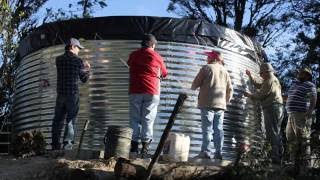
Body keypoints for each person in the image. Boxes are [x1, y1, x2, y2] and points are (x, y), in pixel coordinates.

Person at [128, 34, 168, 158]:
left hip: (135, 90)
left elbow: (130, 64)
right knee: (148, 119)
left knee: (135, 119)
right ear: (152, 44)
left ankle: (133, 149)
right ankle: (145, 149)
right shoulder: (157, 56)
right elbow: (164, 73)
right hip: (152, 90)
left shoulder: (134, 55)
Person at [191, 50, 233, 160]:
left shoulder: (206, 68)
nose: (206, 58)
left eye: (208, 56)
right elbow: (230, 90)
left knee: (207, 129)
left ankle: (205, 152)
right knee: (218, 129)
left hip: (207, 103)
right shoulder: (225, 71)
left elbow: (195, 84)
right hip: (220, 105)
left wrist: (192, 88)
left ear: (212, 58)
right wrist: (225, 102)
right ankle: (218, 152)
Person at [51, 38, 91, 150]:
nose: (79, 50)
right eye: (78, 48)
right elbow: (84, 79)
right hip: (72, 95)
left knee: (57, 120)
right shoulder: (78, 61)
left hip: (60, 95)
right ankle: (67, 145)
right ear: (72, 47)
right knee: (71, 120)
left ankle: (55, 145)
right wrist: (87, 68)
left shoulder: (58, 59)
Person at [244, 63, 283, 164]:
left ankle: (274, 157)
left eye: (261, 73)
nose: (260, 75)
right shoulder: (271, 80)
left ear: (266, 72)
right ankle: (279, 156)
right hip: (277, 107)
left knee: (271, 132)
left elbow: (261, 95)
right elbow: (259, 84)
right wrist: (250, 75)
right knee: (276, 131)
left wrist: (249, 95)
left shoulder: (270, 81)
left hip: (271, 107)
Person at [285, 67, 317, 165]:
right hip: (291, 115)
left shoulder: (309, 85)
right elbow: (288, 97)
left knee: (303, 139)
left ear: (307, 76)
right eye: (299, 73)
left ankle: (306, 164)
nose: (299, 74)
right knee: (291, 138)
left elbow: (313, 98)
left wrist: (309, 112)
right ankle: (293, 162)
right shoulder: (294, 85)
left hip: (302, 114)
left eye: (302, 73)